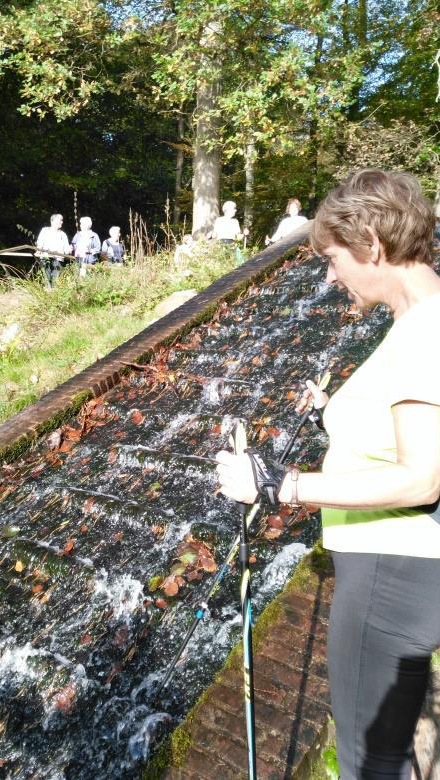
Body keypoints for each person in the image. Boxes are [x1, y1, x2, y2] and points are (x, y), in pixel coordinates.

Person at [216, 169, 440, 779]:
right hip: (406, 571)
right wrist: (327, 416)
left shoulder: (425, 329)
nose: (329, 275)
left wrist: (280, 486)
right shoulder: (419, 322)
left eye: (333, 258)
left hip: (390, 571)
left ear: (371, 242)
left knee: (369, 761)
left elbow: (422, 479)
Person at [35, 213, 70, 286]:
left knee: (55, 280)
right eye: (60, 220)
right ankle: (47, 293)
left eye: (62, 220)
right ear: (53, 221)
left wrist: (68, 251)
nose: (62, 222)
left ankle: (53, 294)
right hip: (45, 257)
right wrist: (38, 251)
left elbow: (67, 249)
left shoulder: (63, 234)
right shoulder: (44, 230)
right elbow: (40, 243)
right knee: (46, 279)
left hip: (58, 259)